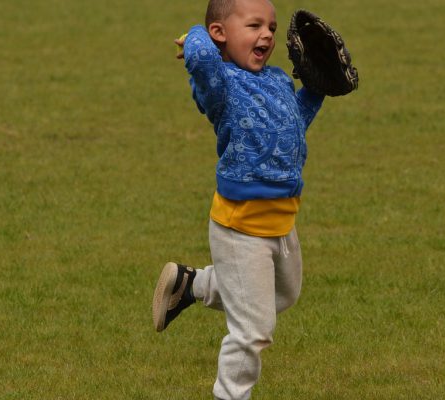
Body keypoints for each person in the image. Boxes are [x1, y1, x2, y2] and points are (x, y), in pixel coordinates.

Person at [152, 0, 324, 398]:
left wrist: (316, 88)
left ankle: (191, 284)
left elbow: (292, 126)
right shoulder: (220, 86)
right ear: (220, 34)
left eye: (272, 28)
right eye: (254, 25)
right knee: (253, 331)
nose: (267, 34)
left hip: (282, 221)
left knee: (284, 295)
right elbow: (199, 58)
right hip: (240, 227)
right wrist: (196, 35)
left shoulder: (278, 79)